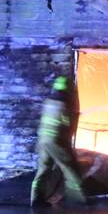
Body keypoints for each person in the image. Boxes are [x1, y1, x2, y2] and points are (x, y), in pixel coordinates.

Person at [30, 75, 88, 206]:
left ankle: (35, 200)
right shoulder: (64, 104)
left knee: (43, 170)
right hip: (55, 141)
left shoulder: (48, 102)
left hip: (42, 141)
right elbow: (68, 127)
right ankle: (78, 200)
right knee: (70, 168)